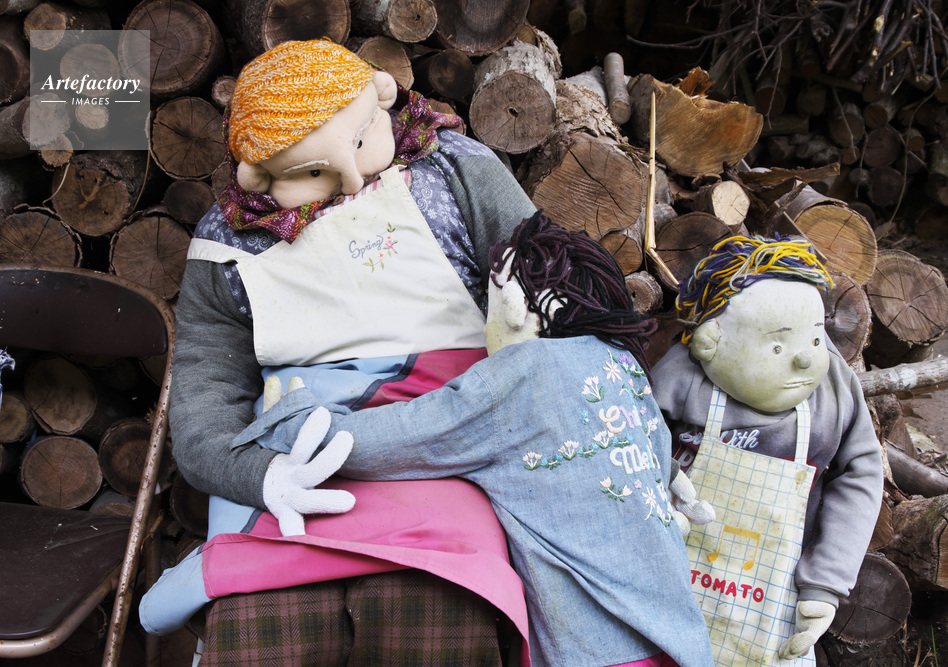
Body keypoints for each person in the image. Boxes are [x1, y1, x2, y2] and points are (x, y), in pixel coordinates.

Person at [145, 38, 539, 664]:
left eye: (359, 142)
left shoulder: (456, 172)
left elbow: (557, 286)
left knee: (438, 617)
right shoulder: (226, 246)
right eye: (312, 172)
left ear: (381, 98)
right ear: (258, 176)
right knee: (258, 634)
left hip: (448, 450)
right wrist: (259, 476)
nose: (351, 179)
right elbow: (204, 399)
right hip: (295, 464)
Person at [237, 211, 716, 667]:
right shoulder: (624, 367)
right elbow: (655, 455)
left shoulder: (519, 375)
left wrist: (294, 419)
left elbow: (396, 440)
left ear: (518, 309)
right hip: (682, 637)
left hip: (597, 647)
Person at [649, 236, 883, 665]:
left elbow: (861, 474)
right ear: (710, 341)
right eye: (777, 346)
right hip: (673, 577)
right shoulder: (680, 380)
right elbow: (637, 451)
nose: (804, 361)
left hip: (776, 597)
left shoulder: (833, 392)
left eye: (816, 341)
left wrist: (825, 583)